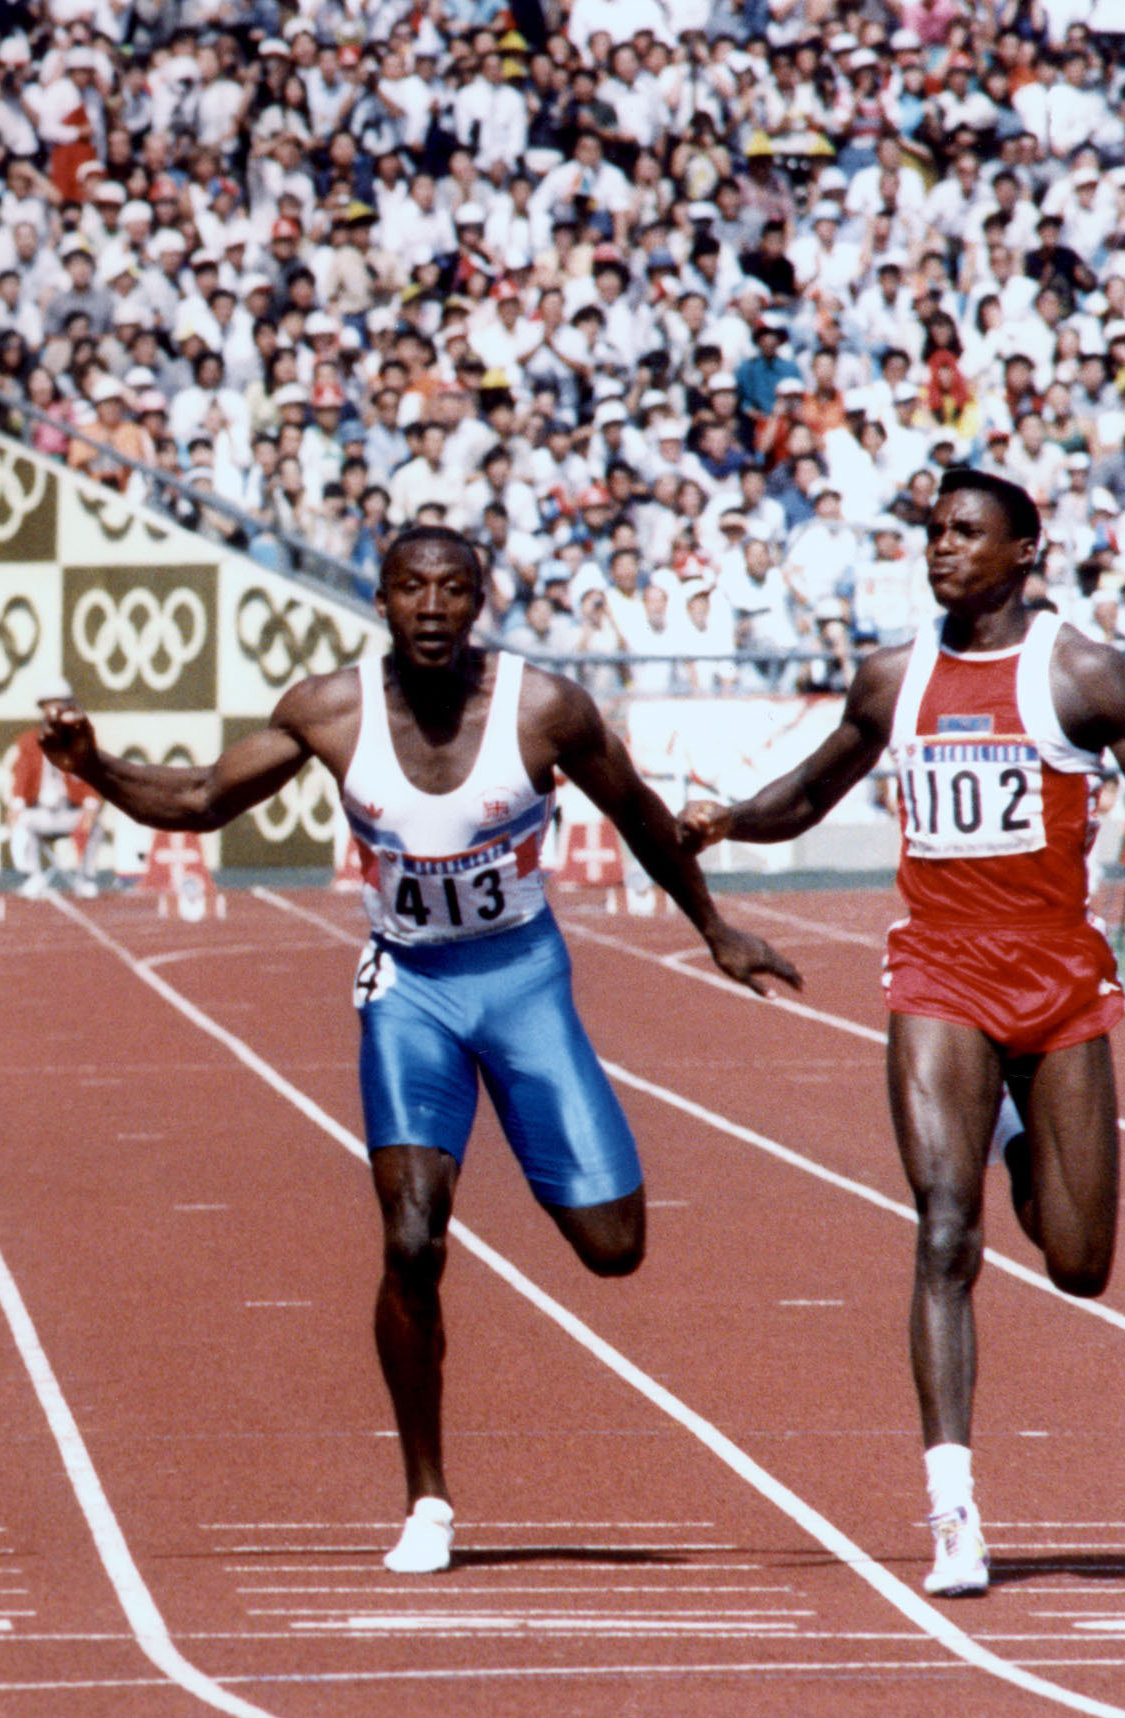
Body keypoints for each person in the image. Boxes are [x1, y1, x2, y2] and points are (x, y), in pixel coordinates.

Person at [40, 526, 801, 1574]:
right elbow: (200, 799)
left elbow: (638, 815)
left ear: (480, 601)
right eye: (410, 589)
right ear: (383, 602)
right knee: (409, 1240)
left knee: (613, 1246)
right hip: (409, 992)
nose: (432, 607)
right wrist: (95, 767)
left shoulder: (543, 708)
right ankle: (428, 1502)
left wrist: (714, 928)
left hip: (522, 982)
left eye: (452, 589)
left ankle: (546, 1172)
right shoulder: (329, 708)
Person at [677, 468, 1125, 1600]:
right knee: (940, 1232)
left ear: (1025, 550)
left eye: (966, 534)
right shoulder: (893, 675)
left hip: (1061, 982)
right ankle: (952, 1512)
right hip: (938, 974)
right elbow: (809, 794)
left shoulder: (1079, 675)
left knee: (1079, 1265)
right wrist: (728, 819)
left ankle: (1021, 1138)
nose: (942, 550)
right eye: (932, 533)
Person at [5, 677, 101, 898]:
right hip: (41, 812)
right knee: (20, 823)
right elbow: (21, 775)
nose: (55, 709)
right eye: (50, 704)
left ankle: (85, 877)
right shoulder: (28, 741)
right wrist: (16, 805)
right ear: (43, 708)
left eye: (61, 703)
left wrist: (90, 807)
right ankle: (32, 876)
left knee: (95, 826)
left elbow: (92, 776)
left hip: (70, 811)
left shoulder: (81, 740)